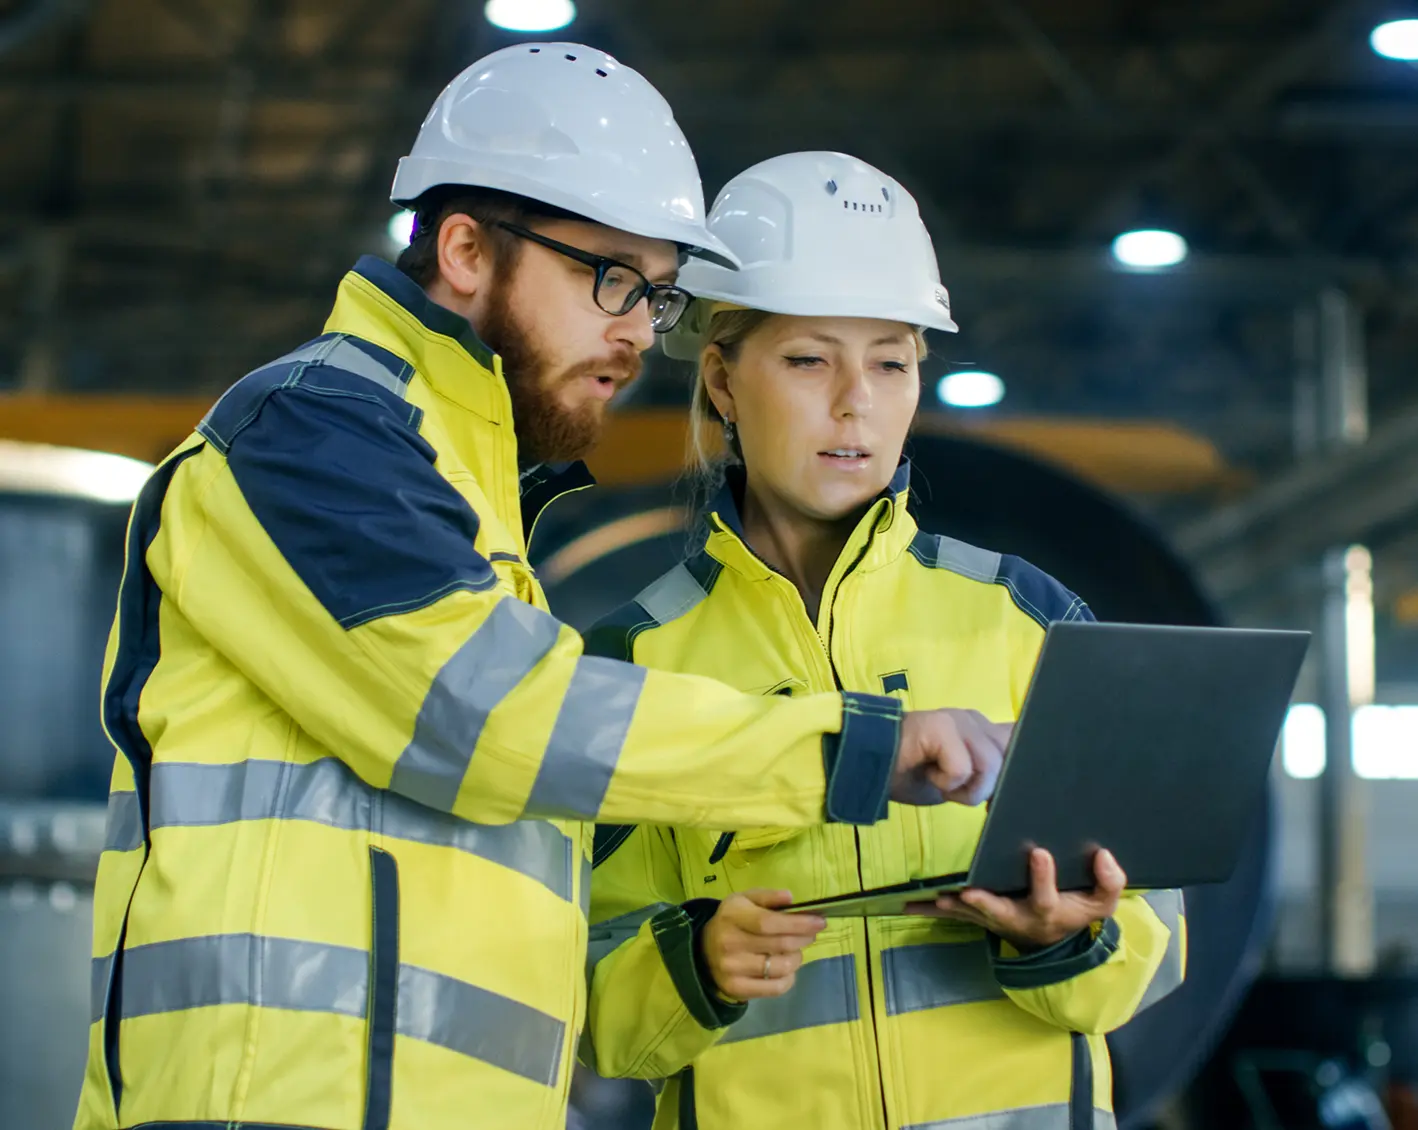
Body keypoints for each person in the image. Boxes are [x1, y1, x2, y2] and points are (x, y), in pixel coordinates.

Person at [71, 48, 1011, 1130]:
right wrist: (851, 746)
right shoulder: (310, 434)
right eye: (607, 277)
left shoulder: (473, 501)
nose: (633, 330)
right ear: (465, 249)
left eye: (654, 295)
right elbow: (486, 713)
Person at [582, 152, 1188, 1130]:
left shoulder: (1028, 617)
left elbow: (1145, 947)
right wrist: (690, 963)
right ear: (722, 381)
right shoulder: (634, 659)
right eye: (808, 358)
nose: (854, 399)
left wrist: (1059, 936)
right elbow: (589, 997)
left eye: (891, 360)